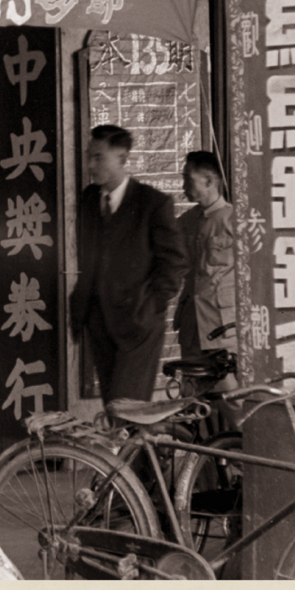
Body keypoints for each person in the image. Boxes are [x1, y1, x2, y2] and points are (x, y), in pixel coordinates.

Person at [69, 125, 188, 405]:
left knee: (128, 408)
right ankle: (139, 449)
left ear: (122, 158)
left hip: (139, 323)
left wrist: (152, 304)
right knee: (113, 405)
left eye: (98, 157)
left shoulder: (152, 203)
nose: (90, 164)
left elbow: (175, 261)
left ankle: (148, 448)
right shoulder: (88, 200)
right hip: (98, 321)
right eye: (89, 155)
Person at [175, 152, 242, 428]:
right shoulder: (184, 222)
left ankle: (243, 461)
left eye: (187, 179)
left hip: (222, 328)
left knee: (232, 401)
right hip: (192, 328)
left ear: (209, 180)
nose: (183, 186)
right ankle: (203, 470)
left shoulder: (235, 221)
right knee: (191, 404)